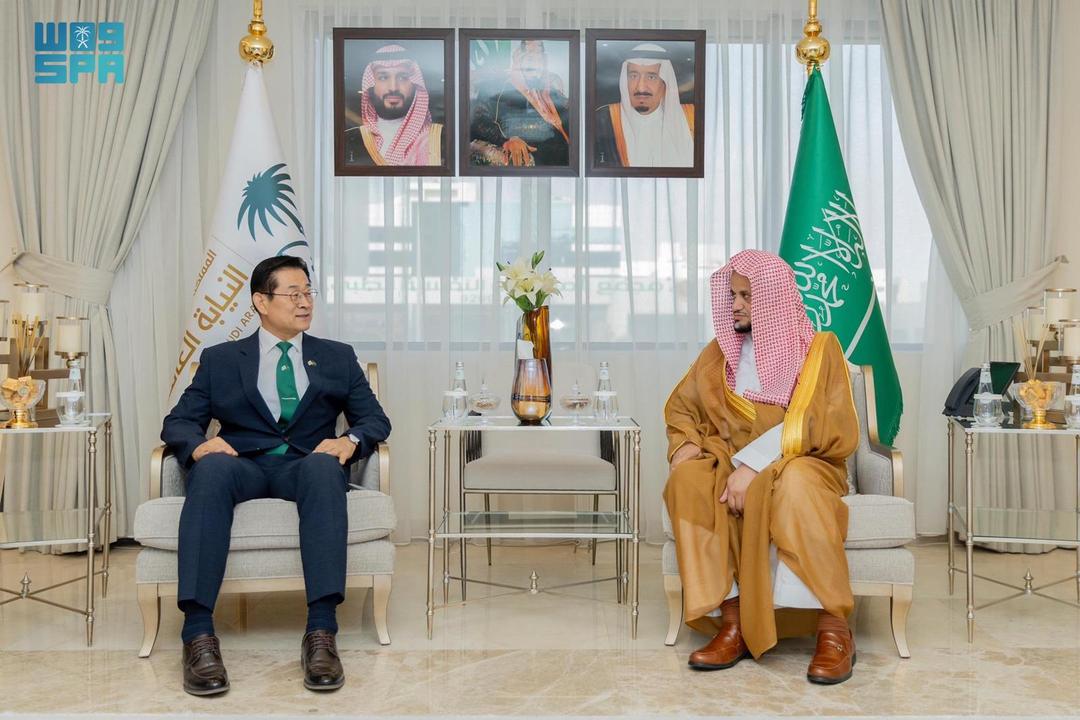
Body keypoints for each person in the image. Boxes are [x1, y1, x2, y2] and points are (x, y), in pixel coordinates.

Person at [162, 256, 391, 696]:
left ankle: (321, 633)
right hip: (241, 464)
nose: (305, 302)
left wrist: (350, 441)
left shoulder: (337, 356)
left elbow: (375, 419)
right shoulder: (221, 359)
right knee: (210, 469)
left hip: (304, 465)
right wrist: (200, 445)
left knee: (325, 467)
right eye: (293, 294)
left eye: (309, 293)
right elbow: (179, 422)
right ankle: (198, 635)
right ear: (261, 302)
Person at [663, 249, 859, 684]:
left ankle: (833, 628)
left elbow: (818, 422)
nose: (735, 305)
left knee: (796, 487)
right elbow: (682, 407)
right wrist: (684, 445)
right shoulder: (719, 353)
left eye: (746, 296)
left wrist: (752, 466)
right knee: (689, 480)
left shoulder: (818, 349)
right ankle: (732, 620)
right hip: (728, 457)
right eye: (732, 295)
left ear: (772, 297)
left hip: (803, 459)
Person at [468, 40, 571, 168]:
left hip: (570, 165)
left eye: (538, 54)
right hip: (539, 165)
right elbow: (479, 121)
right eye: (528, 55)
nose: (534, 61)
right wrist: (507, 140)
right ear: (517, 58)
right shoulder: (498, 89)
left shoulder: (551, 93)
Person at [593, 43, 694, 168]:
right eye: (633, 76)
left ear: (665, 82)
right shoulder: (603, 120)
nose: (641, 87)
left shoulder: (691, 118)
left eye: (651, 77)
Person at [344, 43, 443, 166]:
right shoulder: (350, 139)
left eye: (402, 77)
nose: (393, 87)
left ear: (415, 85)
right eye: (383, 77)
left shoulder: (441, 139)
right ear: (371, 85)